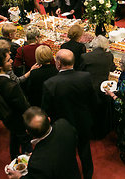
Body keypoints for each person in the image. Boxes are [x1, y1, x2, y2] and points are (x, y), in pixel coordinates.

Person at [42, 49, 97, 179]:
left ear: (59, 63)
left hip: (62, 127)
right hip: (83, 122)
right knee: (85, 151)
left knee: (67, 154)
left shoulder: (50, 83)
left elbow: (46, 110)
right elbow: (93, 102)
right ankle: (88, 175)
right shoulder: (86, 77)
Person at [7, 107, 81, 179]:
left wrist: (19, 177)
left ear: (28, 132)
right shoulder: (64, 124)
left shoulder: (37, 163)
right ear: (49, 119)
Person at [0, 48, 31, 159]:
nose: (11, 62)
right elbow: (23, 106)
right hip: (19, 120)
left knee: (14, 138)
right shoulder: (10, 85)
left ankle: (14, 156)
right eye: (8, 60)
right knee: (26, 144)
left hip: (6, 118)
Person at [80, 35, 116, 138]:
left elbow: (80, 71)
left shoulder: (85, 57)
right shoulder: (109, 56)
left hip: (88, 89)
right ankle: (100, 133)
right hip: (103, 89)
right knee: (101, 112)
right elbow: (112, 68)